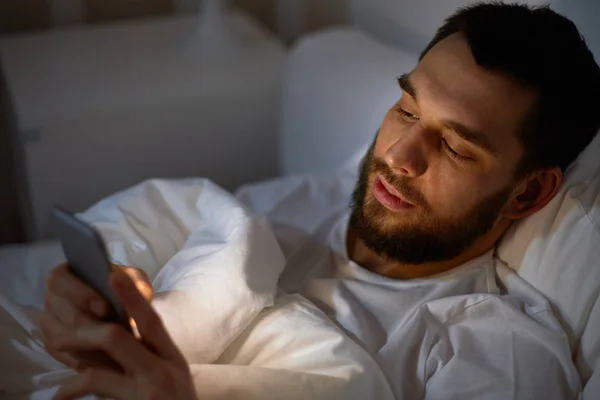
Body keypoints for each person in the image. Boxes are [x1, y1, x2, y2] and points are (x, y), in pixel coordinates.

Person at [41, 2, 600, 399]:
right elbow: (163, 230)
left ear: (529, 192)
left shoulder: (493, 347)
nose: (400, 155)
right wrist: (95, 288)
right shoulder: (304, 200)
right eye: (407, 109)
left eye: (454, 146)